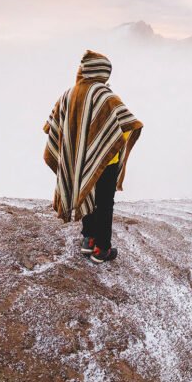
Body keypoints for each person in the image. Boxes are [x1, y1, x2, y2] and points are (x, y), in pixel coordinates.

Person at [43, 50, 143, 263]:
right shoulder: (107, 96)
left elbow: (52, 126)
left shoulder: (68, 94)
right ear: (103, 71)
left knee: (85, 190)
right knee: (104, 203)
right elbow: (129, 124)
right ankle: (102, 249)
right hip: (107, 160)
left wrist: (77, 146)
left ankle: (88, 240)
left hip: (78, 160)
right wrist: (108, 143)